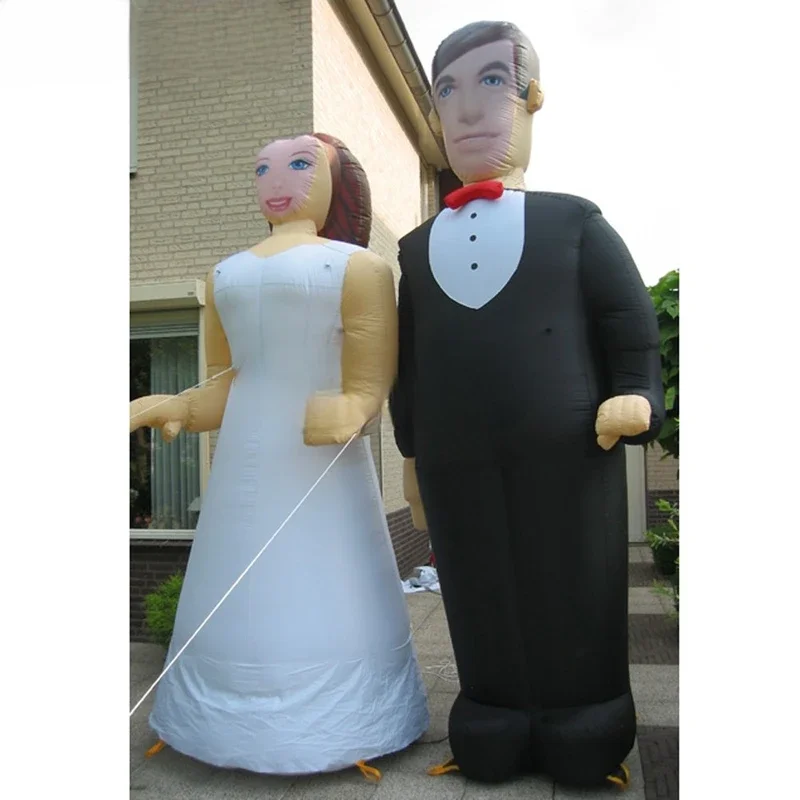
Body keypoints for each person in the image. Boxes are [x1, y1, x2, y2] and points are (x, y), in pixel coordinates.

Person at [389, 20, 665, 790]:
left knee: (572, 579)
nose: (467, 109)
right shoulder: (416, 250)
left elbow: (627, 321)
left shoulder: (573, 223)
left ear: (532, 99)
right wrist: (410, 453)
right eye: (447, 91)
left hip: (569, 454)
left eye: (490, 82)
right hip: (454, 465)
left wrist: (635, 392)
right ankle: (492, 707)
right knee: (473, 582)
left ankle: (588, 712)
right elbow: (409, 361)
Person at [130, 132, 429, 778]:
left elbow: (372, 372)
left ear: (333, 182)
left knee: (324, 576)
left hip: (324, 466)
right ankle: (213, 718)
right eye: (263, 166)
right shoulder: (226, 275)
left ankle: (344, 722)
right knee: (235, 579)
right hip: (246, 465)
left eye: (298, 164)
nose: (277, 179)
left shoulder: (359, 268)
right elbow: (225, 382)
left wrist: (355, 404)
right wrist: (178, 406)